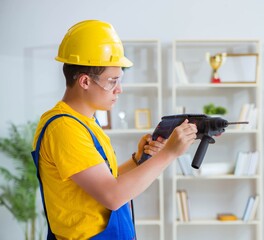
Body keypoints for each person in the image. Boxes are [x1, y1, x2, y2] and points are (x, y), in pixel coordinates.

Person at [32, 20, 197, 240]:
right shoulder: (64, 128)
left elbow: (104, 181)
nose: (119, 89)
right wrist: (169, 154)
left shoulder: (85, 121)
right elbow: (113, 195)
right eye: (112, 81)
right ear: (85, 81)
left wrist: (139, 159)